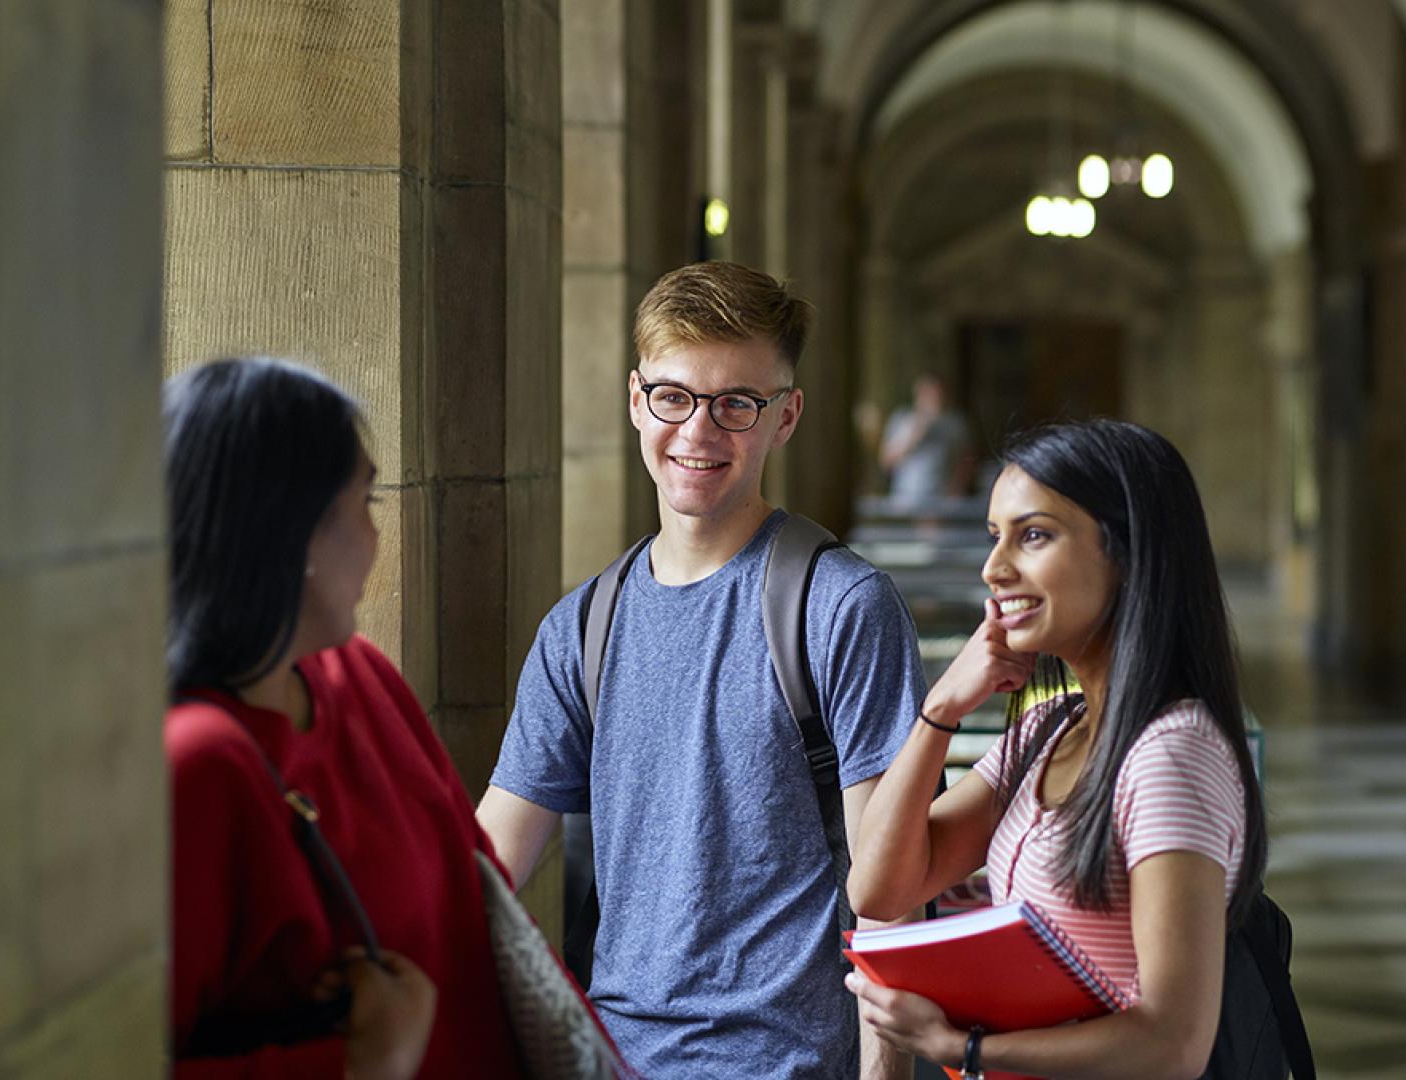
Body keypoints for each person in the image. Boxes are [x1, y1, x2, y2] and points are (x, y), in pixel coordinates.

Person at [478, 261, 929, 1079]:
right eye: (674, 397)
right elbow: (489, 865)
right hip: (611, 1058)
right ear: (635, 399)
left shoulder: (843, 608)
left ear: (785, 416)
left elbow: (890, 893)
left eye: (736, 405)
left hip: (784, 1061)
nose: (697, 432)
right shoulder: (581, 627)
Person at [844, 420, 1268, 1080]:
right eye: (995, 537)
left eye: (1033, 535)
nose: (994, 568)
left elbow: (1173, 1043)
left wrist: (963, 1049)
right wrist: (941, 708)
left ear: (1127, 553)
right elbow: (879, 885)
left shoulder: (1169, 754)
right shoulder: (1049, 729)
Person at [164, 357, 534, 1078]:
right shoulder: (196, 764)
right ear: (291, 533)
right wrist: (357, 1063)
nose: (375, 537)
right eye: (364, 501)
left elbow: (493, 923)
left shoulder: (364, 676)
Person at [878, 374, 972, 502]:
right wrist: (913, 435)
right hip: (905, 498)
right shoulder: (902, 418)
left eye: (935, 394)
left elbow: (966, 461)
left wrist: (954, 492)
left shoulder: (954, 423)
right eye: (927, 394)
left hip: (941, 500)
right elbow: (886, 462)